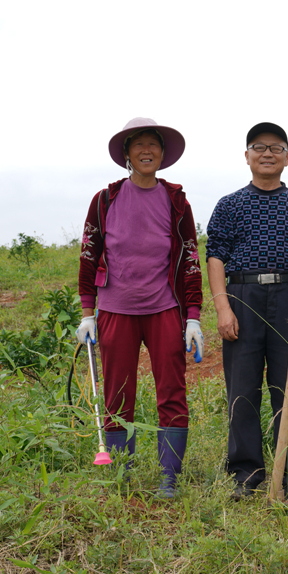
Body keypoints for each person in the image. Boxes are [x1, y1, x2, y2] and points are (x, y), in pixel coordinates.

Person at [75, 116, 204, 498]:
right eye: (139, 144)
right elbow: (87, 256)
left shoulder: (176, 201)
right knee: (117, 394)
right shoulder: (105, 200)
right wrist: (87, 312)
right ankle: (122, 477)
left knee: (172, 391)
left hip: (165, 309)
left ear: (163, 155)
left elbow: (191, 259)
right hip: (116, 311)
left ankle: (169, 479)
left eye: (154, 144)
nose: (147, 150)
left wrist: (193, 317)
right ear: (127, 154)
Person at [206, 122, 288, 501]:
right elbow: (215, 256)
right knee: (242, 389)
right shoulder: (230, 204)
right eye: (259, 147)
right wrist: (223, 306)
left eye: (276, 148)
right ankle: (245, 474)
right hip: (242, 294)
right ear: (247, 156)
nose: (267, 153)